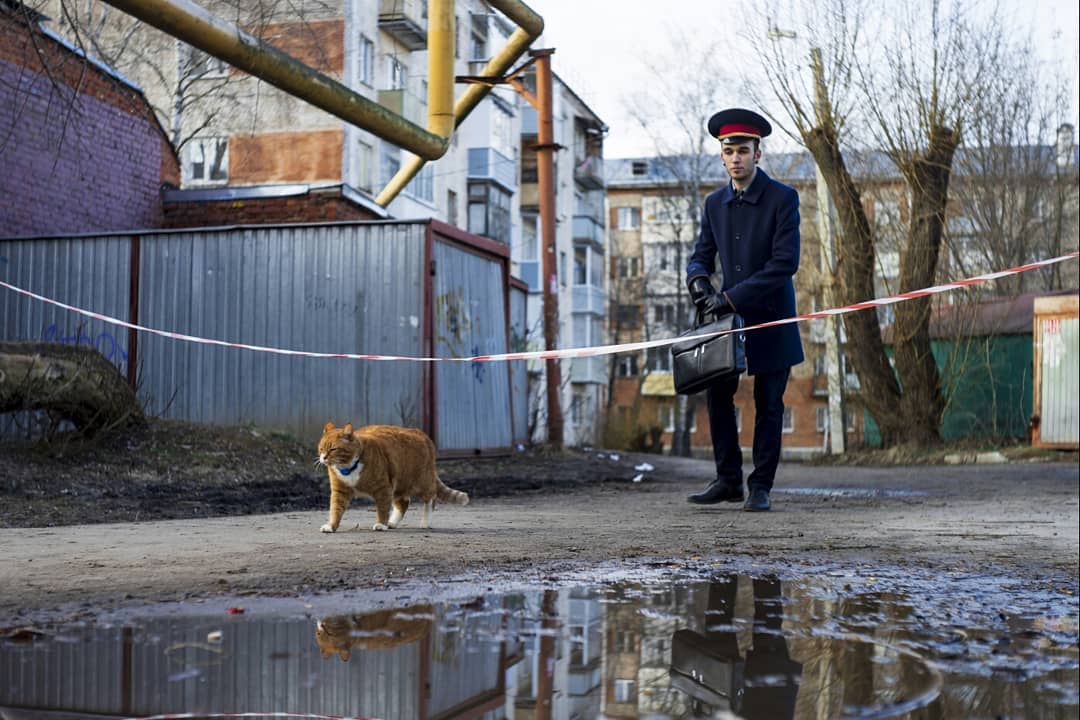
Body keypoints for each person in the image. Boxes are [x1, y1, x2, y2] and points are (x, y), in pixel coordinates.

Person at [685, 107, 804, 512]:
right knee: (718, 396)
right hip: (727, 323)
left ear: (758, 154)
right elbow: (700, 254)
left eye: (743, 150)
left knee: (769, 403)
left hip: (772, 317)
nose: (735, 157)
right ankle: (728, 479)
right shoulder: (714, 204)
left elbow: (784, 263)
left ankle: (761, 487)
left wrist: (730, 297)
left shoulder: (783, 199)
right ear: (721, 155)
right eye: (728, 150)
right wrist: (698, 281)